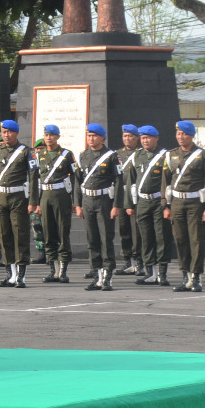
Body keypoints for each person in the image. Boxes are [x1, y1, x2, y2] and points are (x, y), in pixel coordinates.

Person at [0, 119, 37, 288]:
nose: (7, 135)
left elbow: (34, 178)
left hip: (19, 198)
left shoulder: (27, 152)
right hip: (0, 198)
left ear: (16, 133)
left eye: (10, 132)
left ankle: (21, 275)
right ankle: (10, 274)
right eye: (4, 132)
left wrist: (33, 201)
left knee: (20, 234)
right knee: (4, 235)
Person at [75, 123, 120, 291]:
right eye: (88, 135)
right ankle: (96, 275)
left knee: (105, 240)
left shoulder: (111, 156)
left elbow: (118, 181)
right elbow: (77, 182)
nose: (91, 139)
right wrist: (77, 204)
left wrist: (116, 205)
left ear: (102, 137)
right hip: (87, 201)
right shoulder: (82, 156)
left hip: (104, 201)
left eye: (94, 135)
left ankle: (108, 275)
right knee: (92, 240)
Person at [34, 125, 77, 283]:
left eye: (52, 135)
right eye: (46, 135)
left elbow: (74, 177)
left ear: (58, 137)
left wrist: (73, 198)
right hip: (45, 195)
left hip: (61, 195)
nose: (49, 138)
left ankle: (64, 270)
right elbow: (36, 180)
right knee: (48, 232)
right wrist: (36, 202)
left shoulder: (66, 154)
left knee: (62, 231)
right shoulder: (40, 155)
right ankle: (53, 269)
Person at [129, 126, 171, 286]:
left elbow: (169, 180)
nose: (145, 141)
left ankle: (162, 273)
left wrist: (167, 204)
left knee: (162, 237)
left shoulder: (165, 156)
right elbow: (131, 181)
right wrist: (130, 205)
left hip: (158, 202)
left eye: (148, 137)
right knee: (145, 238)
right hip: (142, 202)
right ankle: (150, 272)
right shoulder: (137, 156)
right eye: (142, 138)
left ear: (156, 138)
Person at [113, 125, 142, 276]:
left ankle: (139, 261)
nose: (127, 139)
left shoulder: (140, 153)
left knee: (136, 230)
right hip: (122, 194)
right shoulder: (117, 154)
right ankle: (128, 261)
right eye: (125, 136)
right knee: (124, 228)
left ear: (137, 137)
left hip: (136, 195)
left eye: (130, 136)